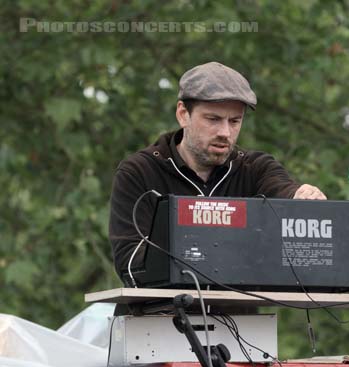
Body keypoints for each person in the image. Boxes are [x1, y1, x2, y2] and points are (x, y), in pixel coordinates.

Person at [109, 61, 326, 285]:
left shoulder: (255, 168)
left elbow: (282, 188)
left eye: (234, 121)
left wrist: (301, 197)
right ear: (183, 114)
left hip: (240, 317)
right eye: (213, 119)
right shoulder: (139, 172)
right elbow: (129, 263)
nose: (225, 132)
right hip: (160, 316)